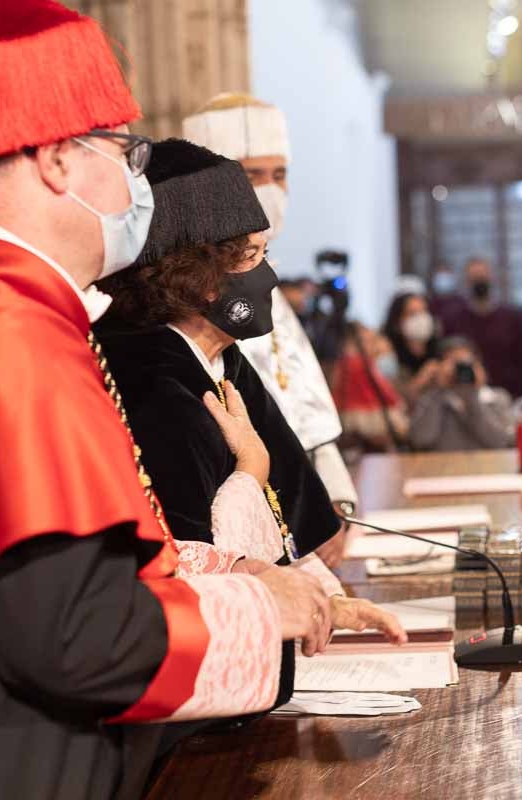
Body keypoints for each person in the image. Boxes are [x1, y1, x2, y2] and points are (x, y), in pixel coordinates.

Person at [0, 3, 331, 798]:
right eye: (124, 152)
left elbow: (40, 559)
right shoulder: (0, 331)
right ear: (58, 159)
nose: (138, 182)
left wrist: (240, 575)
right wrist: (261, 614)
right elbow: (74, 635)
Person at [95, 140, 404, 713]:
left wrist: (323, 601)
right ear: (200, 276)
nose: (269, 276)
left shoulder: (217, 359)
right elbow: (202, 568)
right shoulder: (153, 384)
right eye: (253, 256)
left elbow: (287, 525)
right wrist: (251, 470)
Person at [183, 94, 357, 564]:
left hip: (299, 508)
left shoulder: (266, 280)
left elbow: (304, 408)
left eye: (279, 175)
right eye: (252, 175)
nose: (270, 190)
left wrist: (335, 499)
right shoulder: (192, 291)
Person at [407, 336, 515, 452]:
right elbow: (420, 440)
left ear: (479, 366)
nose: (461, 371)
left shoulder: (497, 398)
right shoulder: (430, 399)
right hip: (444, 468)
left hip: (487, 468)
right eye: (454, 364)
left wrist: (473, 397)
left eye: (466, 364)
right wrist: (439, 389)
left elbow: (501, 442)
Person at [441, 257, 522, 396]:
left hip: (506, 394)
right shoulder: (453, 320)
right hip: (465, 395)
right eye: (474, 278)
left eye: (482, 276)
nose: (479, 281)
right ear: (466, 281)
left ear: (491, 278)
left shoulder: (512, 318)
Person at [332, 323, 410, 452]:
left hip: (345, 417)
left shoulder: (343, 363)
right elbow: (384, 392)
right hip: (367, 417)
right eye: (369, 341)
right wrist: (399, 403)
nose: (373, 346)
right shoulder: (362, 363)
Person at [382, 291, 441, 400]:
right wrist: (420, 381)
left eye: (423, 311)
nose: (421, 319)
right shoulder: (388, 360)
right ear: (397, 322)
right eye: (412, 314)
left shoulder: (440, 353)